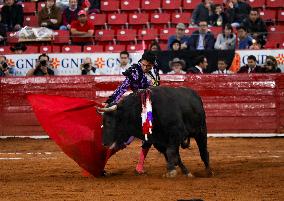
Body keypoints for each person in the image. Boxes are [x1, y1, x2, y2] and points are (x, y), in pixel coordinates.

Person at [102, 51, 160, 174]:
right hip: (136, 106)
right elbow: (122, 87)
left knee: (148, 135)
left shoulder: (155, 70)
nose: (145, 68)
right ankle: (102, 163)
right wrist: (110, 101)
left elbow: (158, 88)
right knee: (124, 138)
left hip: (150, 106)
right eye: (143, 65)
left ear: (153, 65)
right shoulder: (134, 71)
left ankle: (140, 165)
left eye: (148, 66)